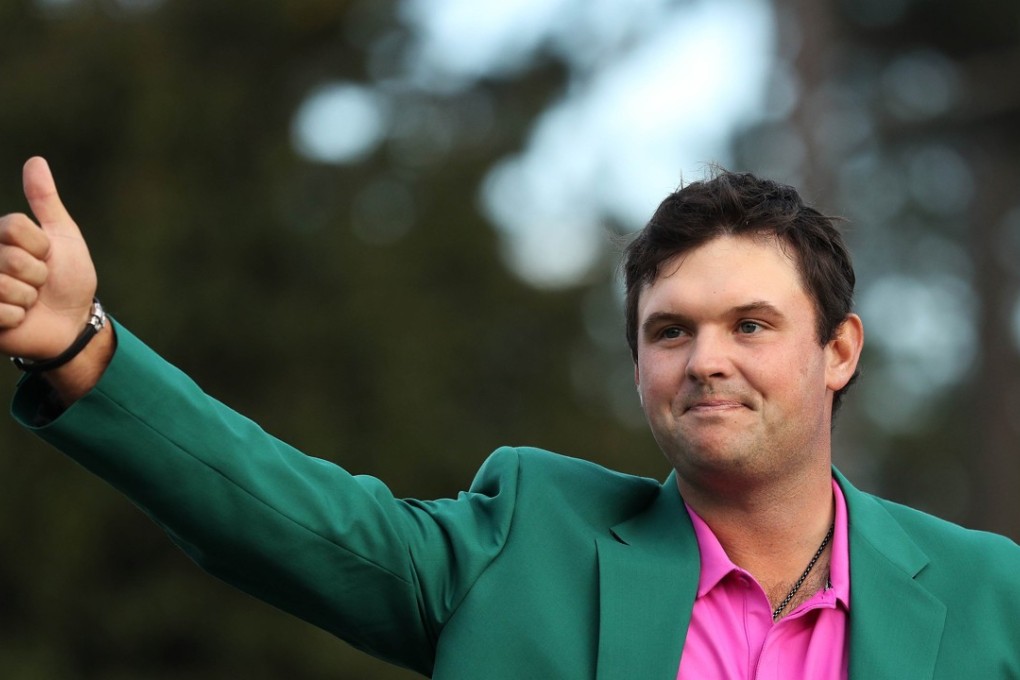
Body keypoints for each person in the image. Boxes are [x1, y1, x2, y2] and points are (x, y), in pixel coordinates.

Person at [1, 156, 1018, 679]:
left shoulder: (992, 596)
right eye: (670, 332)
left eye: (751, 323)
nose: (707, 358)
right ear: (637, 367)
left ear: (838, 349)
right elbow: (290, 517)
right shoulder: (524, 536)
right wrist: (84, 348)